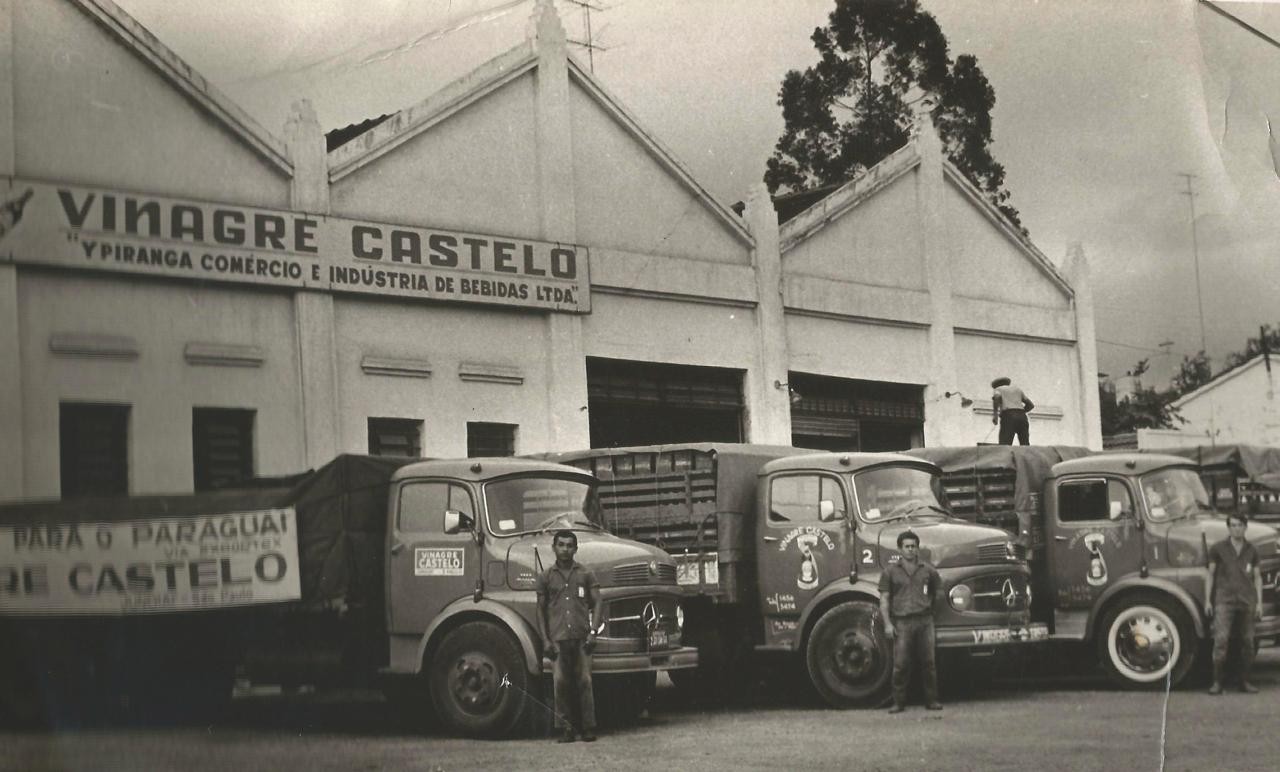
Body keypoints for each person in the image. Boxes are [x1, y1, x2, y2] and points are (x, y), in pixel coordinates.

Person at [536, 529, 603, 741]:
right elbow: (540, 609)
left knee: (584, 681)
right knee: (560, 683)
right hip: (558, 639)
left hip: (582, 638)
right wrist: (546, 639)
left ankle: (588, 727)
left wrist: (593, 632)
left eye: (569, 545)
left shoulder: (585, 573)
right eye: (561, 544)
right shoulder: (546, 577)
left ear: (575, 548)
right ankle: (565, 729)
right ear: (554, 547)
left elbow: (598, 602)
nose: (565, 549)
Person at [879, 530, 942, 713]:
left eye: (913, 546)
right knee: (900, 665)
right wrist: (888, 624)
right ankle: (898, 702)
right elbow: (884, 599)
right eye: (906, 546)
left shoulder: (928, 570)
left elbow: (938, 592)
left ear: (918, 548)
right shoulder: (890, 572)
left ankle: (932, 701)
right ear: (900, 549)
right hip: (902, 623)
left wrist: (931, 613)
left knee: (929, 663)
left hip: (925, 622)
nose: (910, 550)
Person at [1205, 513, 1263, 695]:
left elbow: (1257, 577)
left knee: (1248, 642)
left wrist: (1260, 602)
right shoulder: (1218, 548)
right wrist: (1208, 600)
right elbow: (1210, 574)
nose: (1236, 529)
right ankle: (1217, 682)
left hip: (1247, 601)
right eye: (1232, 525)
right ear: (1228, 528)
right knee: (1221, 640)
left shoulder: (1252, 550)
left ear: (1245, 527)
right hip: (1224, 600)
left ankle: (1244, 681)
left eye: (1239, 525)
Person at [991, 376, 1035, 445]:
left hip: (1008, 416)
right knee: (1025, 443)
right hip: (1022, 417)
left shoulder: (998, 389)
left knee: (1005, 444)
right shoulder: (1018, 390)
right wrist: (1020, 412)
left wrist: (995, 415)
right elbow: (1031, 405)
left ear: (996, 385)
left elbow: (996, 398)